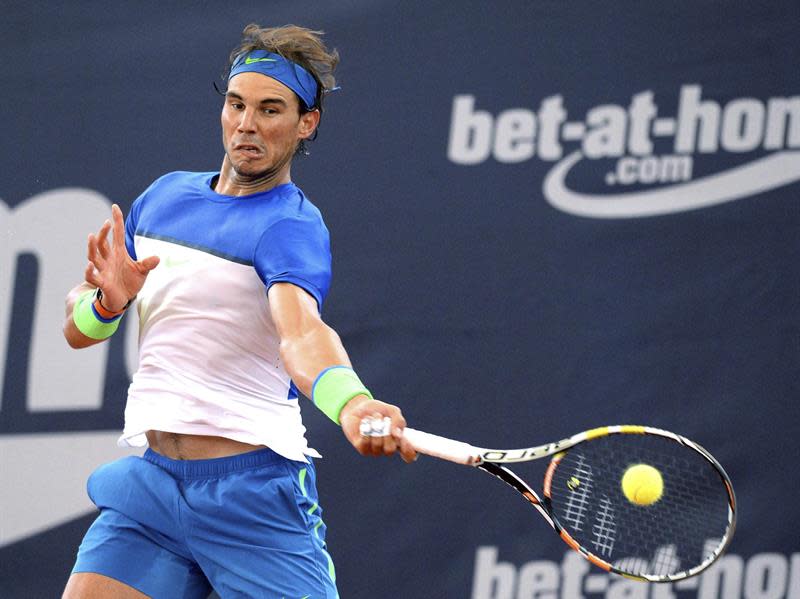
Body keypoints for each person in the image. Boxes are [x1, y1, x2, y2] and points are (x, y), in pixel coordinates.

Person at [61, 23, 416, 599]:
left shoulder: (289, 225)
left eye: (270, 109)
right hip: (152, 488)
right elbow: (77, 328)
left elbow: (301, 334)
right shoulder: (164, 197)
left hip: (252, 497)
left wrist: (352, 404)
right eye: (236, 104)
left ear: (307, 124)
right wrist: (106, 302)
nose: (247, 125)